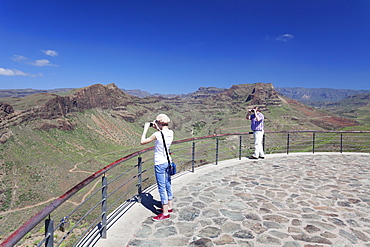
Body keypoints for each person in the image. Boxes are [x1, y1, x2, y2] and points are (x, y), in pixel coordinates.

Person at [141, 114, 174, 221]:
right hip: (168, 161)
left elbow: (143, 142)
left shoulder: (157, 134)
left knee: (161, 187)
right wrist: (157, 127)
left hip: (160, 163)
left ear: (159, 122)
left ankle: (165, 213)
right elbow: (162, 133)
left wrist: (145, 129)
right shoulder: (171, 132)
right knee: (168, 183)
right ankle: (169, 206)